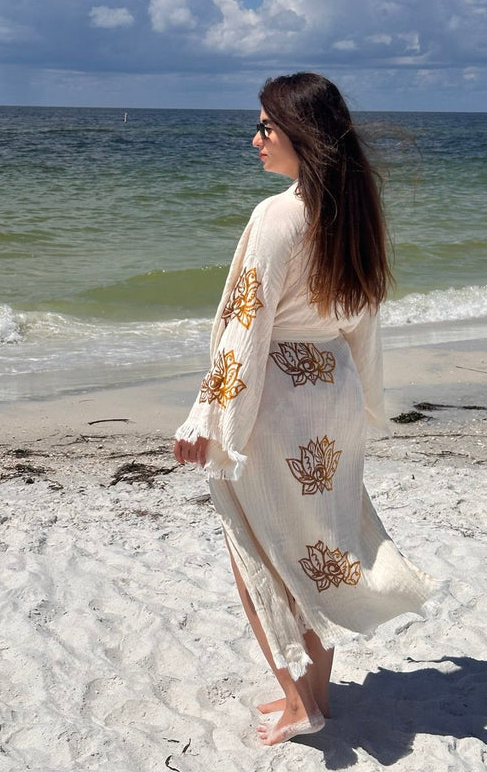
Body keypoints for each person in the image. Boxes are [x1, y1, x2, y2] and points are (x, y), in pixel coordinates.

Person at [173, 72, 434, 746]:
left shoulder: (279, 215)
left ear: (301, 133)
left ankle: (300, 699)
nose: (255, 137)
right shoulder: (354, 207)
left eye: (266, 126)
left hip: (278, 402)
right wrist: (367, 401)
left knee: (260, 551)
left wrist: (209, 419)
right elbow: (364, 319)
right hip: (334, 391)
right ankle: (314, 693)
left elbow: (247, 325)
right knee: (317, 543)